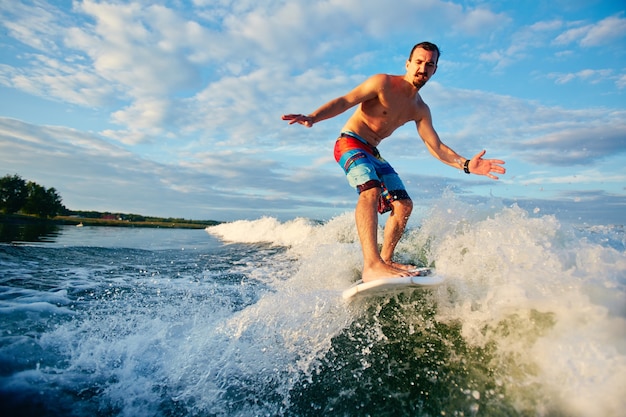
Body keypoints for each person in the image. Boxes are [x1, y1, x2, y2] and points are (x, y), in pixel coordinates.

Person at [282, 42, 506, 282]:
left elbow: (436, 147)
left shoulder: (420, 108)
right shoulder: (383, 83)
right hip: (350, 142)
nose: (423, 68)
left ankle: (386, 260)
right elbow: (346, 100)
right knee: (371, 190)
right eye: (419, 62)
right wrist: (313, 117)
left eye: (429, 64)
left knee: (404, 205)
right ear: (408, 64)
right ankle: (371, 265)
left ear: (435, 70)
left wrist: (466, 164)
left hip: (373, 152)